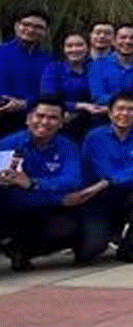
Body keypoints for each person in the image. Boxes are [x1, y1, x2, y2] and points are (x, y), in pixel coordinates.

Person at [74, 92, 133, 263]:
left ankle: (131, 245)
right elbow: (103, 172)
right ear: (110, 113)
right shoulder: (95, 137)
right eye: (120, 109)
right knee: (89, 252)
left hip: (129, 193)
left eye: (131, 110)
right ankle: (107, 231)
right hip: (99, 198)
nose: (125, 114)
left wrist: (116, 181)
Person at [0, 98, 82, 270]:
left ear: (61, 123)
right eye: (40, 116)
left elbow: (72, 180)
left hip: (45, 210)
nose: (44, 122)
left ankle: (22, 251)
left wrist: (33, 183)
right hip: (11, 208)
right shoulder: (8, 144)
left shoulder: (68, 148)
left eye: (53, 118)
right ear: (28, 119)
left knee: (69, 230)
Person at [0, 10, 54, 131]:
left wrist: (25, 103)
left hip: (33, 123)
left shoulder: (49, 61)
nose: (30, 30)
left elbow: (50, 93)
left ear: (46, 32)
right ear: (16, 26)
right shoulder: (2, 52)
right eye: (26, 24)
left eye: (38, 27)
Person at [40, 33, 100, 136]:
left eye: (79, 45)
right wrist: (81, 106)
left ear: (88, 47)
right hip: (62, 122)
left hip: (93, 123)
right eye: (69, 46)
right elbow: (48, 97)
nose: (75, 49)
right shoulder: (54, 68)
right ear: (63, 49)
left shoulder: (95, 68)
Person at [86, 22, 133, 107]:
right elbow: (97, 97)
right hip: (105, 118)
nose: (127, 41)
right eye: (123, 37)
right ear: (114, 41)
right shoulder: (96, 66)